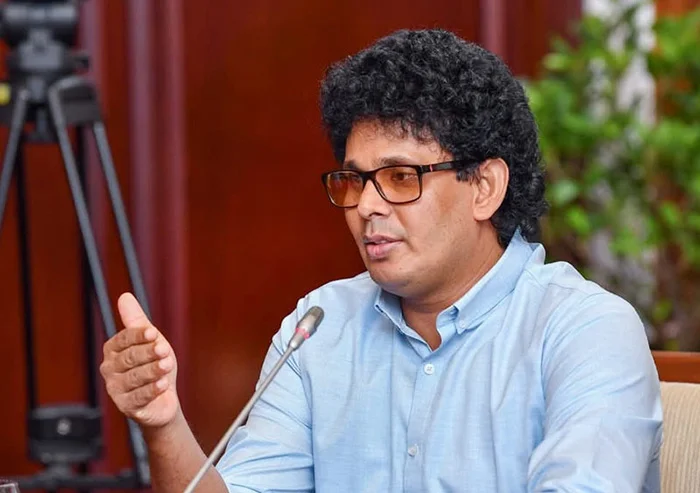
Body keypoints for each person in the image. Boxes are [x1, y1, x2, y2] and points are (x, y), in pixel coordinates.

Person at [100, 29, 663, 492]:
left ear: (485, 187)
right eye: (354, 180)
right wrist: (164, 424)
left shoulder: (584, 331)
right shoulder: (320, 326)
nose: (367, 205)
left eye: (400, 177)